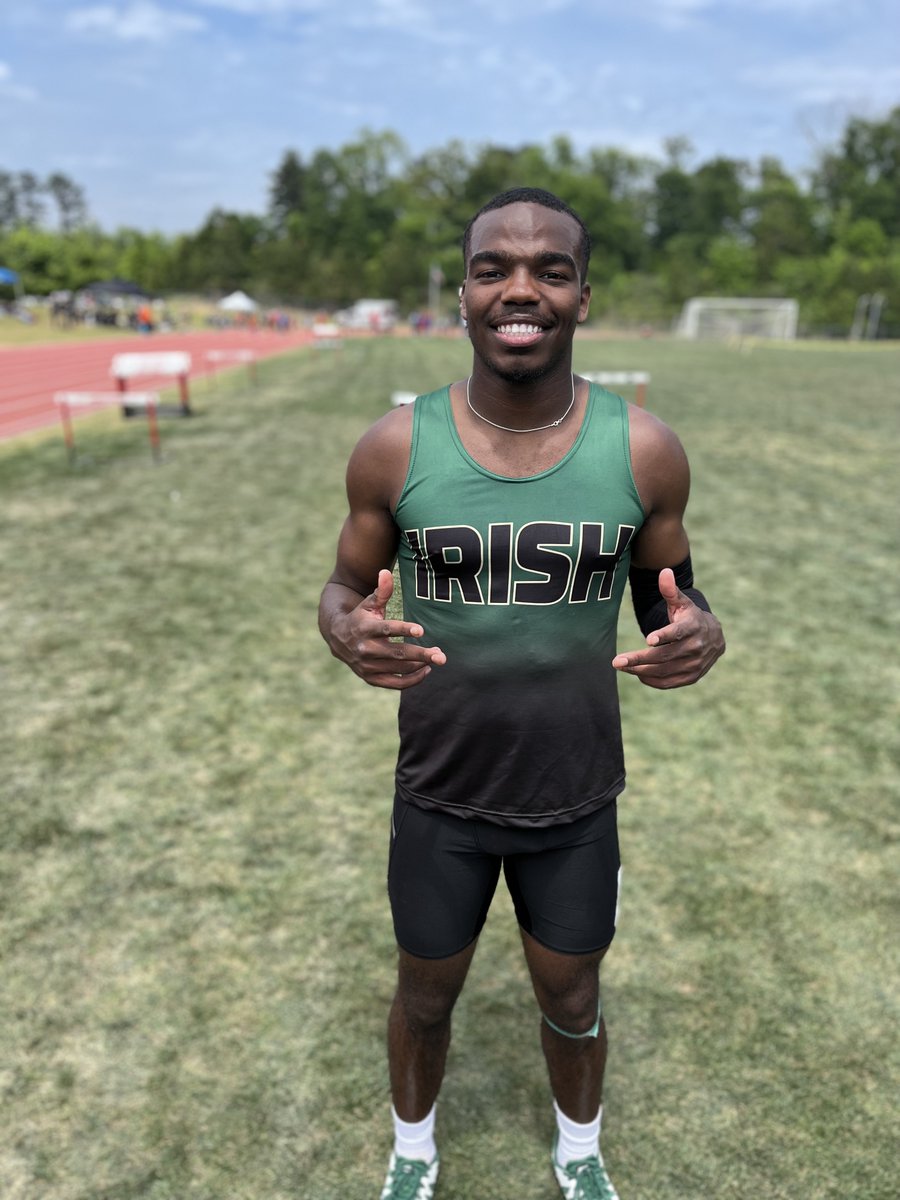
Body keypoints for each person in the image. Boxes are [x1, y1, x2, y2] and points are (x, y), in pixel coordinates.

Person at [318, 187, 725, 1200]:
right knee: (423, 997)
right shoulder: (395, 446)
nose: (521, 288)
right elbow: (339, 589)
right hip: (440, 792)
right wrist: (344, 631)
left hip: (576, 794)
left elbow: (669, 594)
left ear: (583, 296)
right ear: (461, 293)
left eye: (550, 269)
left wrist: (696, 632)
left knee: (573, 992)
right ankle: (413, 1157)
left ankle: (579, 1154)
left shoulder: (644, 450)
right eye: (495, 266)